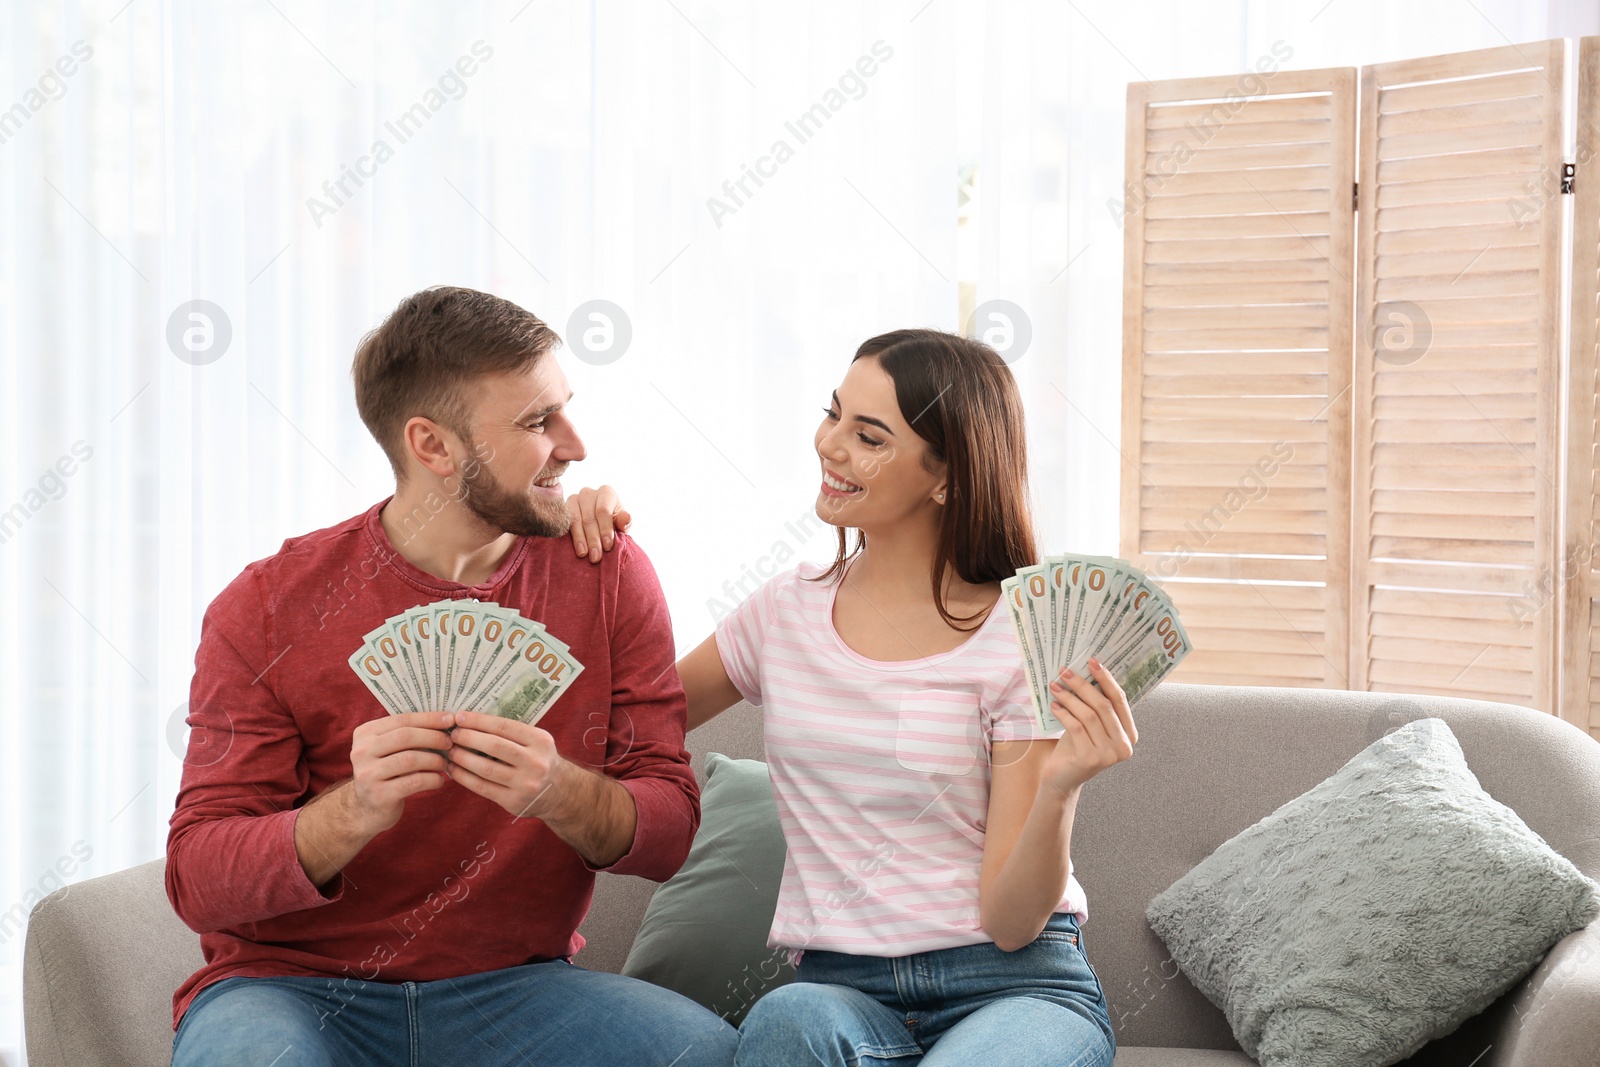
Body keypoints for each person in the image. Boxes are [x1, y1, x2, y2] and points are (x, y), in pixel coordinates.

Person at [165, 286, 738, 1067]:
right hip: (292, 989)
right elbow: (198, 877)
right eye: (538, 422)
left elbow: (669, 831)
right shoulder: (265, 606)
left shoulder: (607, 574)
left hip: (518, 990)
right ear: (433, 446)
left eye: (564, 408)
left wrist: (562, 791)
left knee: (711, 1054)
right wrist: (353, 810)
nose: (575, 443)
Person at [569, 328, 1132, 1066]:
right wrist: (588, 551)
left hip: (1012, 985)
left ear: (947, 476)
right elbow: (621, 720)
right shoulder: (782, 612)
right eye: (833, 414)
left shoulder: (1018, 636)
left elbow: (1011, 918)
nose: (829, 445)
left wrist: (1060, 786)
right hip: (843, 987)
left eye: (868, 436)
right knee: (783, 1023)